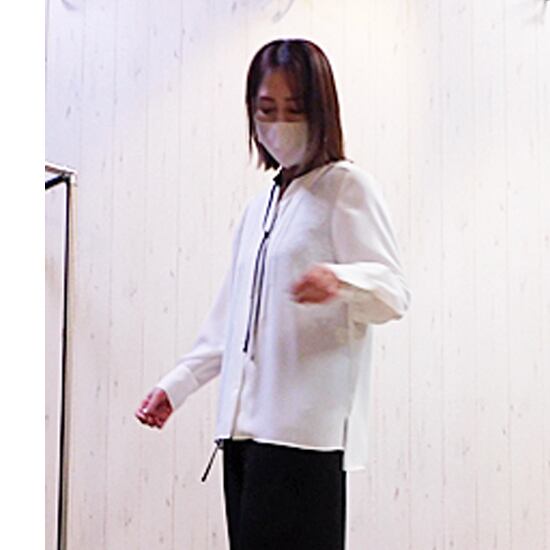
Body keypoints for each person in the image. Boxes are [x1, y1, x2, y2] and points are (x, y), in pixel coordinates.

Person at [135, 38, 411, 550]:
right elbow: (232, 322)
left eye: (294, 109)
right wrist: (178, 385)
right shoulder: (258, 207)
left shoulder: (346, 188)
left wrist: (340, 280)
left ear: (321, 111)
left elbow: (394, 293)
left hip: (303, 440)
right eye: (266, 109)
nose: (279, 123)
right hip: (241, 437)